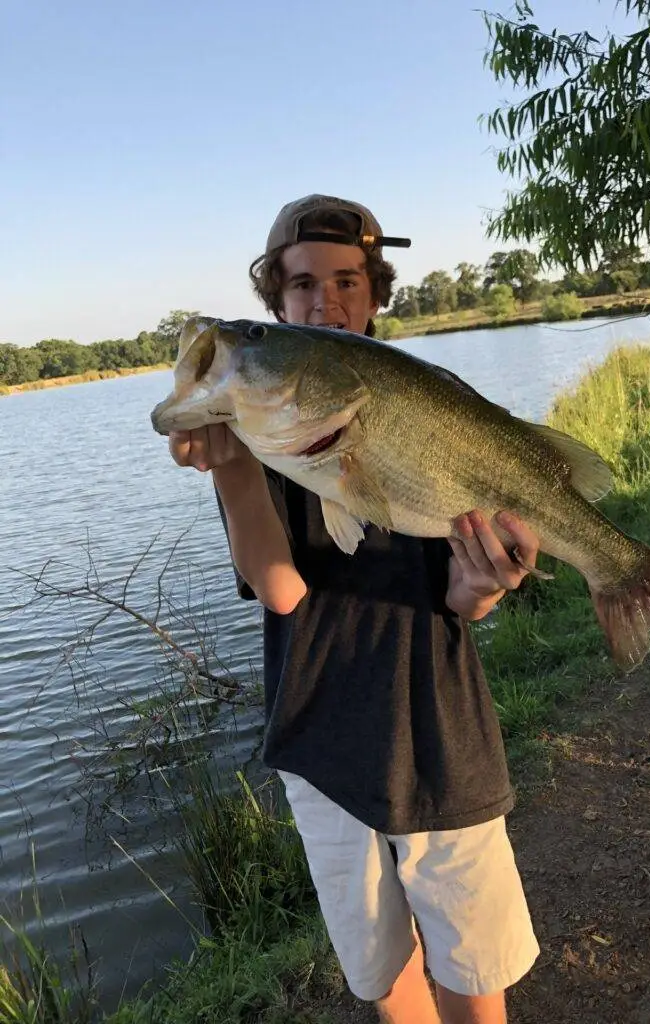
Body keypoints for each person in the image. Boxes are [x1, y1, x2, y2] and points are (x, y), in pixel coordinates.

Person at [168, 194, 540, 1024]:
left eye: (345, 281)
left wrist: (487, 580)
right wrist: (232, 471)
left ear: (374, 294)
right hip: (321, 744)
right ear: (277, 301)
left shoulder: (427, 408)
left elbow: (460, 597)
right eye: (300, 287)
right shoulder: (264, 438)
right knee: (384, 973)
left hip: (442, 735)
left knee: (473, 971)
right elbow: (283, 592)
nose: (324, 301)